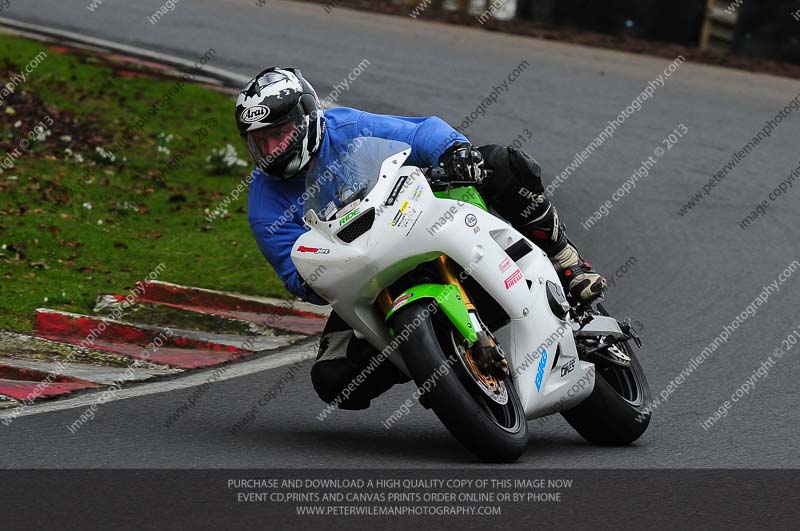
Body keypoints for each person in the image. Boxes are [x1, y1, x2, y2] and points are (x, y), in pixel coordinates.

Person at [238, 67, 606, 410]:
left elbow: (418, 132)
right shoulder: (263, 206)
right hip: (364, 274)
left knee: (497, 163)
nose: (270, 150)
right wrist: (316, 275)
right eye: (259, 142)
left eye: (278, 135)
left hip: (417, 219)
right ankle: (430, 360)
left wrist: (454, 151)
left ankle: (566, 261)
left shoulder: (348, 126)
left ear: (306, 119)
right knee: (332, 378)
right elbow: (295, 273)